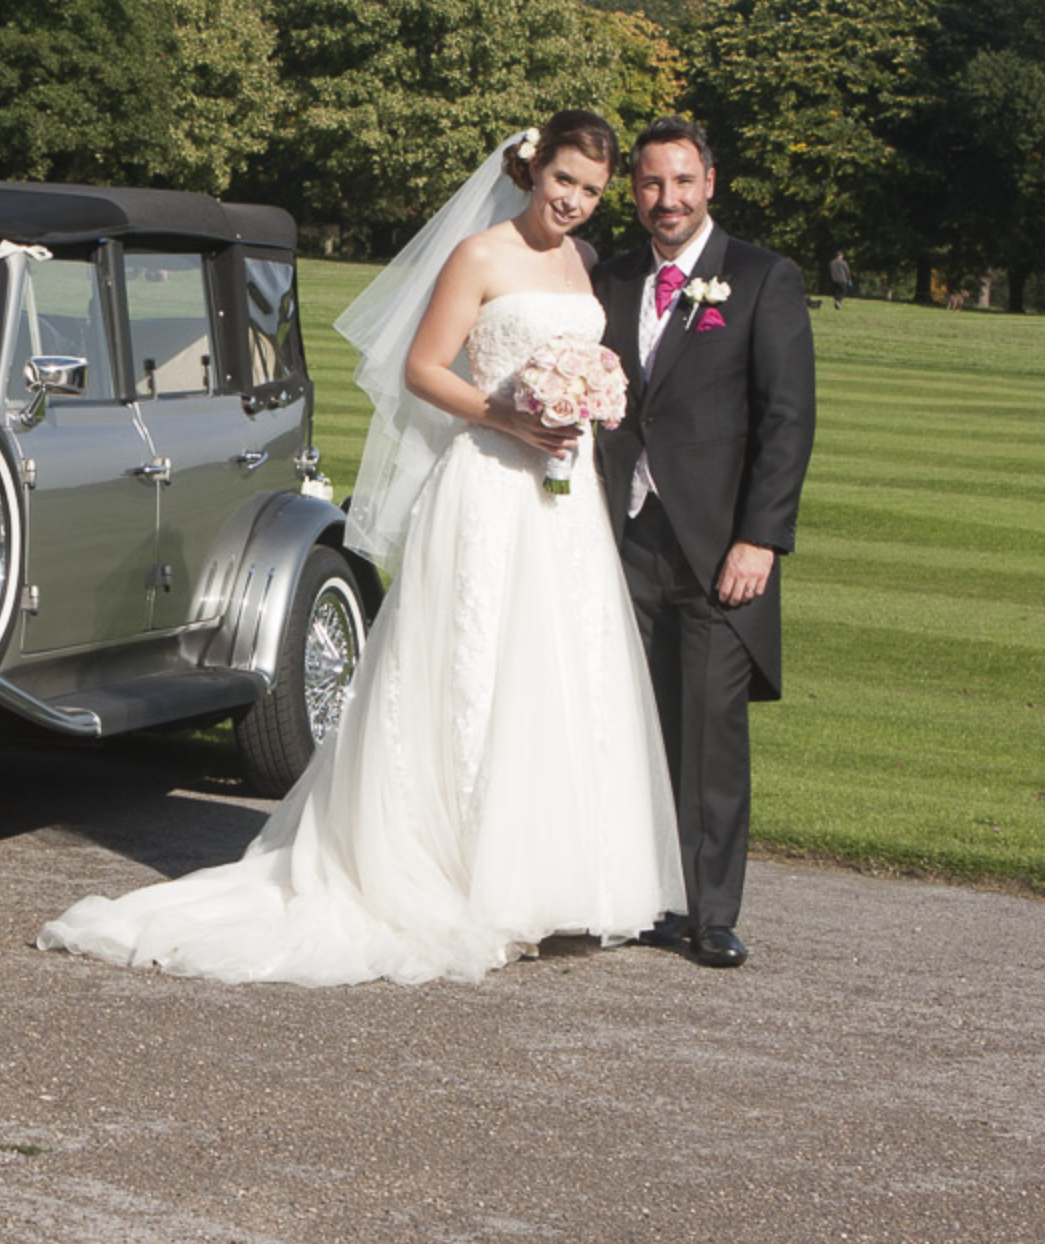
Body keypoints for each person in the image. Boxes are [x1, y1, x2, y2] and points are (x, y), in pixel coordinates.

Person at [38, 112, 682, 986]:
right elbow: (424, 366)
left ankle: (551, 875)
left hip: (562, 500)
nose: (573, 201)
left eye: (592, 191)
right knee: (473, 664)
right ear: (535, 171)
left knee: (557, 667)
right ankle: (452, 868)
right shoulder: (482, 255)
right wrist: (508, 415)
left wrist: (576, 410)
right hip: (491, 481)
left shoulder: (581, 265)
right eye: (564, 179)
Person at [594, 118, 816, 969]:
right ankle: (640, 897)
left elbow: (786, 420)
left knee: (710, 735)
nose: (667, 200)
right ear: (635, 191)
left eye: (682, 182)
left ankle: (709, 912)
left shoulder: (762, 278)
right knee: (633, 727)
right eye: (651, 184)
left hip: (720, 549)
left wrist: (760, 538)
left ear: (710, 183)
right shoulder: (608, 279)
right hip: (620, 541)